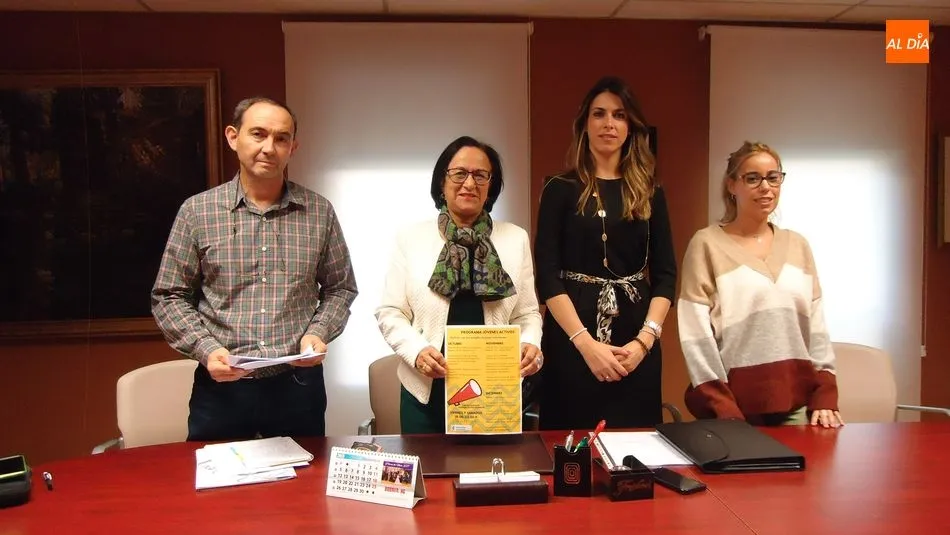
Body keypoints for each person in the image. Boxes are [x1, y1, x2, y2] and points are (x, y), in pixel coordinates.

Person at [151, 97, 358, 441]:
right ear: (233, 137)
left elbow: (341, 287)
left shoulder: (319, 212)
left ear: (293, 147)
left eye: (281, 138)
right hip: (222, 387)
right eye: (258, 134)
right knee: (218, 476)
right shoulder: (197, 212)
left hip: (297, 385)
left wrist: (318, 332)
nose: (269, 148)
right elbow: (169, 295)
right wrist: (205, 348)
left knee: (303, 475)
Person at [534, 76, 677, 430]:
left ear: (631, 127)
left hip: (636, 342)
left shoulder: (651, 192)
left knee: (635, 447)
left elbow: (666, 276)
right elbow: (547, 277)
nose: (608, 123)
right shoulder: (558, 189)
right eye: (599, 114)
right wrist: (586, 345)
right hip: (572, 339)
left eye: (619, 115)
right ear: (585, 124)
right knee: (568, 448)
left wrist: (643, 343)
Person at [375, 136, 543, 434]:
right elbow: (390, 312)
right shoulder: (410, 238)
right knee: (428, 465)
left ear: (491, 185)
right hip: (426, 389)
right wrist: (417, 352)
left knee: (492, 464)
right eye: (459, 173)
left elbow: (527, 313)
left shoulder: (515, 238)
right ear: (442, 182)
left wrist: (530, 342)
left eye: (480, 175)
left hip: (493, 391)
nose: (469, 183)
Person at [677, 141, 843, 428]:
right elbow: (696, 335)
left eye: (773, 177)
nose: (765, 187)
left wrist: (825, 392)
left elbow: (816, 327)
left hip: (797, 408)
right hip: (731, 411)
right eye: (752, 178)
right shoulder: (706, 245)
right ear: (732, 185)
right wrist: (722, 407)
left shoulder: (798, 245)